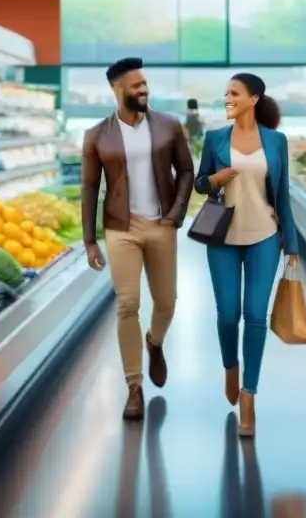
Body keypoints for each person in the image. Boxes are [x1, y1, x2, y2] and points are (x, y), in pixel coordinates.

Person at [81, 57, 194, 420]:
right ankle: (133, 386)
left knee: (167, 302)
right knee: (127, 304)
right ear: (117, 90)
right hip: (120, 227)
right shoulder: (97, 136)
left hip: (162, 225)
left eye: (145, 84)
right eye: (136, 86)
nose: (143, 90)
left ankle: (154, 342)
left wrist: (175, 215)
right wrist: (89, 239)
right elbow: (89, 187)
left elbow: (187, 171)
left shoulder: (169, 126)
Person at [194, 72, 298, 438]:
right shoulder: (215, 139)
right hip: (222, 237)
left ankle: (248, 395)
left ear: (254, 99)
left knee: (255, 315)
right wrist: (217, 179)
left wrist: (293, 244)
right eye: (225, 93)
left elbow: (282, 193)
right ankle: (230, 366)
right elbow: (200, 182)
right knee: (227, 315)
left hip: (265, 237)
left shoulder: (276, 141)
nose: (227, 98)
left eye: (234, 93)